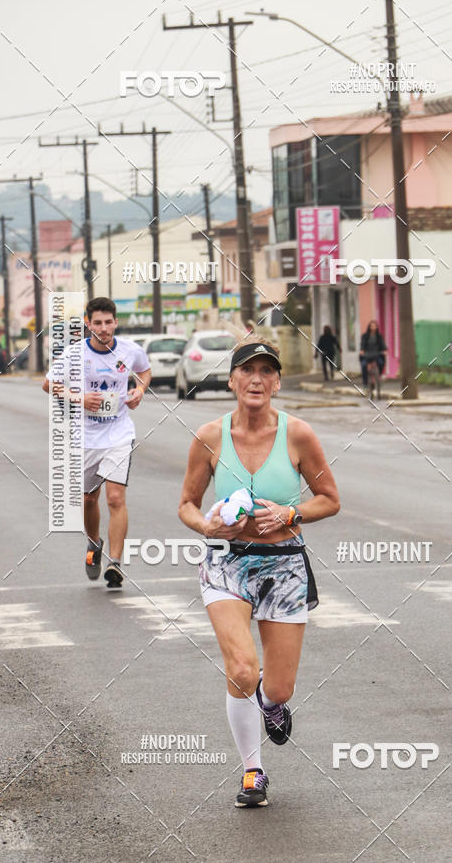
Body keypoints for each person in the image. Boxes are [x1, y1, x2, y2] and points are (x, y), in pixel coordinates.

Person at [178, 335, 340, 807]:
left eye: (267, 371)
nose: (257, 379)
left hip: (285, 565)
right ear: (231, 380)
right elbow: (187, 504)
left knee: (278, 686)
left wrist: (290, 515)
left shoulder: (298, 435)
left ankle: (272, 706)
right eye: (248, 371)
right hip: (226, 563)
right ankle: (253, 771)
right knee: (243, 669)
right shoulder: (209, 437)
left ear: (277, 382)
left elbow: (330, 499)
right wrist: (207, 526)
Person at [43, 297, 151, 587]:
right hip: (86, 436)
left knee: (116, 498)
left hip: (119, 434)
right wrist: (80, 397)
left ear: (115, 322)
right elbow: (48, 384)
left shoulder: (130, 350)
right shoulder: (75, 354)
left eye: (108, 322)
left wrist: (139, 390)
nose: (104, 328)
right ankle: (94, 544)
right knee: (90, 497)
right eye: (98, 323)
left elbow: (144, 370)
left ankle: (115, 564)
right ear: (88, 324)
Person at [360, 321, 387, 398]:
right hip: (367, 355)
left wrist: (385, 350)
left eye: (374, 326)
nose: (373, 327)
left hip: (376, 354)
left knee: (381, 363)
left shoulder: (379, 336)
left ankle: (380, 375)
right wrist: (362, 350)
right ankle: (365, 383)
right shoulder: (365, 336)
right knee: (364, 365)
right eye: (371, 326)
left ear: (376, 327)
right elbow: (362, 344)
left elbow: (382, 344)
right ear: (369, 327)